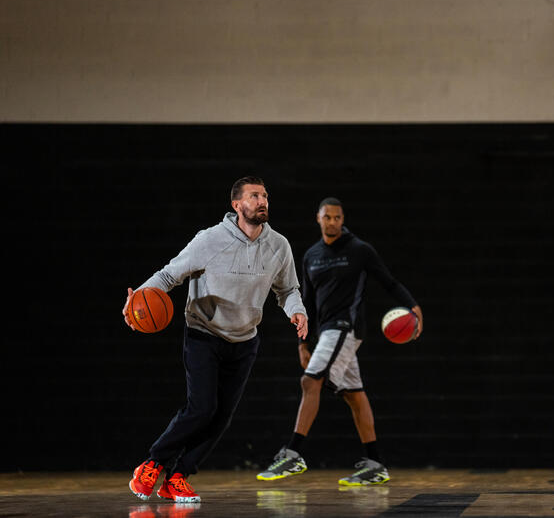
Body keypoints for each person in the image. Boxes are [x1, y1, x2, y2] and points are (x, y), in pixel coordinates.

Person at [124, 176, 308, 503]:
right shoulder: (209, 240)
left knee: (221, 417)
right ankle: (152, 463)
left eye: (265, 195)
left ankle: (178, 477)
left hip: (245, 340)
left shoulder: (279, 245)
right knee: (201, 408)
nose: (262, 200)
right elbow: (168, 275)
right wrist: (137, 299)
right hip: (203, 334)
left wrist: (297, 310)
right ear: (237, 204)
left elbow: (288, 289)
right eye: (254, 196)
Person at [256, 197, 422, 486]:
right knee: (354, 395)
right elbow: (306, 301)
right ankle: (375, 463)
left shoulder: (359, 250)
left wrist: (413, 306)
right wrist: (302, 343)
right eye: (327, 217)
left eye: (337, 217)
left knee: (310, 382)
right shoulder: (311, 256)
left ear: (342, 219)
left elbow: (389, 281)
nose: (332, 221)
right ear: (318, 219)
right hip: (326, 333)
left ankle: (293, 454)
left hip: (346, 327)